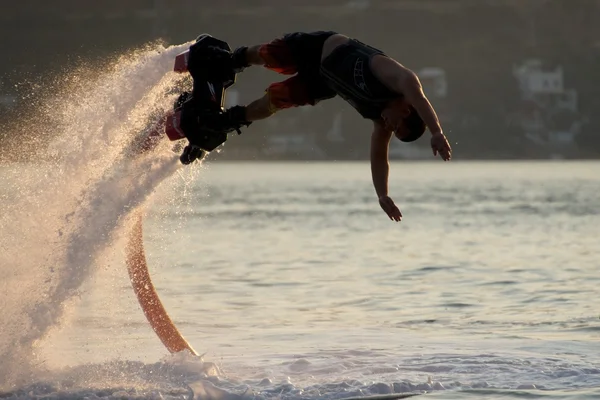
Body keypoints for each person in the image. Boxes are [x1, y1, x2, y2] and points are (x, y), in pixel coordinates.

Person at [183, 31, 453, 222]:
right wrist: (436, 132)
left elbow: (379, 158)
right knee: (273, 55)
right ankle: (231, 61)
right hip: (323, 48)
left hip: (325, 83)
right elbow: (419, 96)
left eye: (393, 132)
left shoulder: (379, 118)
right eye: (397, 127)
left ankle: (228, 120)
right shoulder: (400, 80)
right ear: (406, 110)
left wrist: (382, 195)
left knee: (278, 101)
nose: (389, 128)